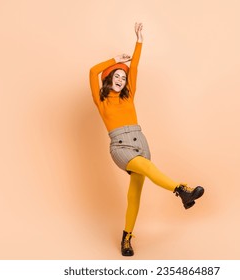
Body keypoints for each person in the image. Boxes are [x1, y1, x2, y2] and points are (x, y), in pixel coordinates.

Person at [89, 22, 205, 257]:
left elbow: (136, 68)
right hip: (120, 147)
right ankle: (182, 190)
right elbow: (92, 72)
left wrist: (139, 42)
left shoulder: (128, 97)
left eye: (124, 76)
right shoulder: (101, 102)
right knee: (145, 166)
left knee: (134, 195)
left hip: (140, 141)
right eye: (117, 76)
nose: (121, 79)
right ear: (109, 78)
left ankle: (126, 237)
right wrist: (114, 59)